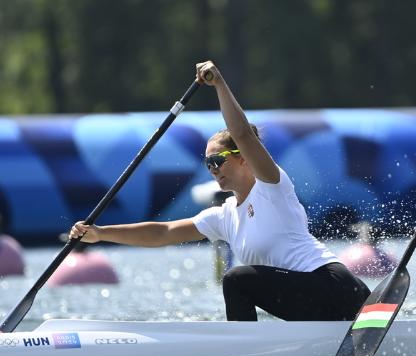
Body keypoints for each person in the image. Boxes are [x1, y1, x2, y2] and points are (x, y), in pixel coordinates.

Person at [69, 61, 370, 321]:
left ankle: (244, 355)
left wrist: (219, 83)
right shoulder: (224, 216)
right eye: (207, 163)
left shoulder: (272, 187)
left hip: (338, 288)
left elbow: (240, 132)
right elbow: (163, 233)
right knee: (240, 280)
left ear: (242, 157)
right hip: (314, 303)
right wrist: (100, 233)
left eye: (217, 160)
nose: (212, 169)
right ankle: (251, 349)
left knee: (237, 279)